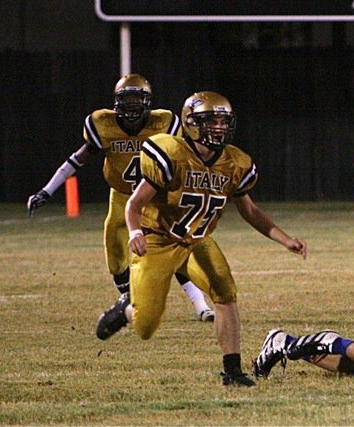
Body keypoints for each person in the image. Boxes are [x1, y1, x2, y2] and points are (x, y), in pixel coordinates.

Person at [93, 91, 308, 387]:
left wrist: (284, 239)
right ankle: (126, 309)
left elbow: (250, 211)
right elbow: (134, 204)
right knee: (145, 326)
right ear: (192, 123)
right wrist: (135, 231)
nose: (219, 127)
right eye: (212, 121)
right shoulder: (171, 153)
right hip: (157, 240)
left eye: (223, 121)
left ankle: (232, 371)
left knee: (224, 289)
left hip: (195, 242)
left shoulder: (234, 163)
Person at [27, 74, 214, 322]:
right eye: (127, 100)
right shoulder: (104, 125)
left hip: (155, 195)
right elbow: (77, 158)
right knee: (114, 249)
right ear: (116, 102)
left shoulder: (164, 123)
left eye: (138, 99)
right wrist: (47, 190)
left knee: (173, 245)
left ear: (148, 102)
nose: (132, 106)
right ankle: (127, 298)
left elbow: (185, 157)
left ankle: (201, 305)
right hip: (122, 195)